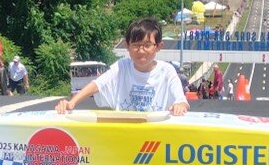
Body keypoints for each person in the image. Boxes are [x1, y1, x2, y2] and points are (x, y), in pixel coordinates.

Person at [55, 18, 188, 116]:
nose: (141, 51)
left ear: (158, 46)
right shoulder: (122, 66)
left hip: (155, 137)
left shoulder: (167, 71)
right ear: (127, 46)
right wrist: (72, 103)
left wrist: (180, 105)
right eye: (136, 45)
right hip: (124, 134)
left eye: (147, 45)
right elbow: (98, 84)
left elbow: (180, 99)